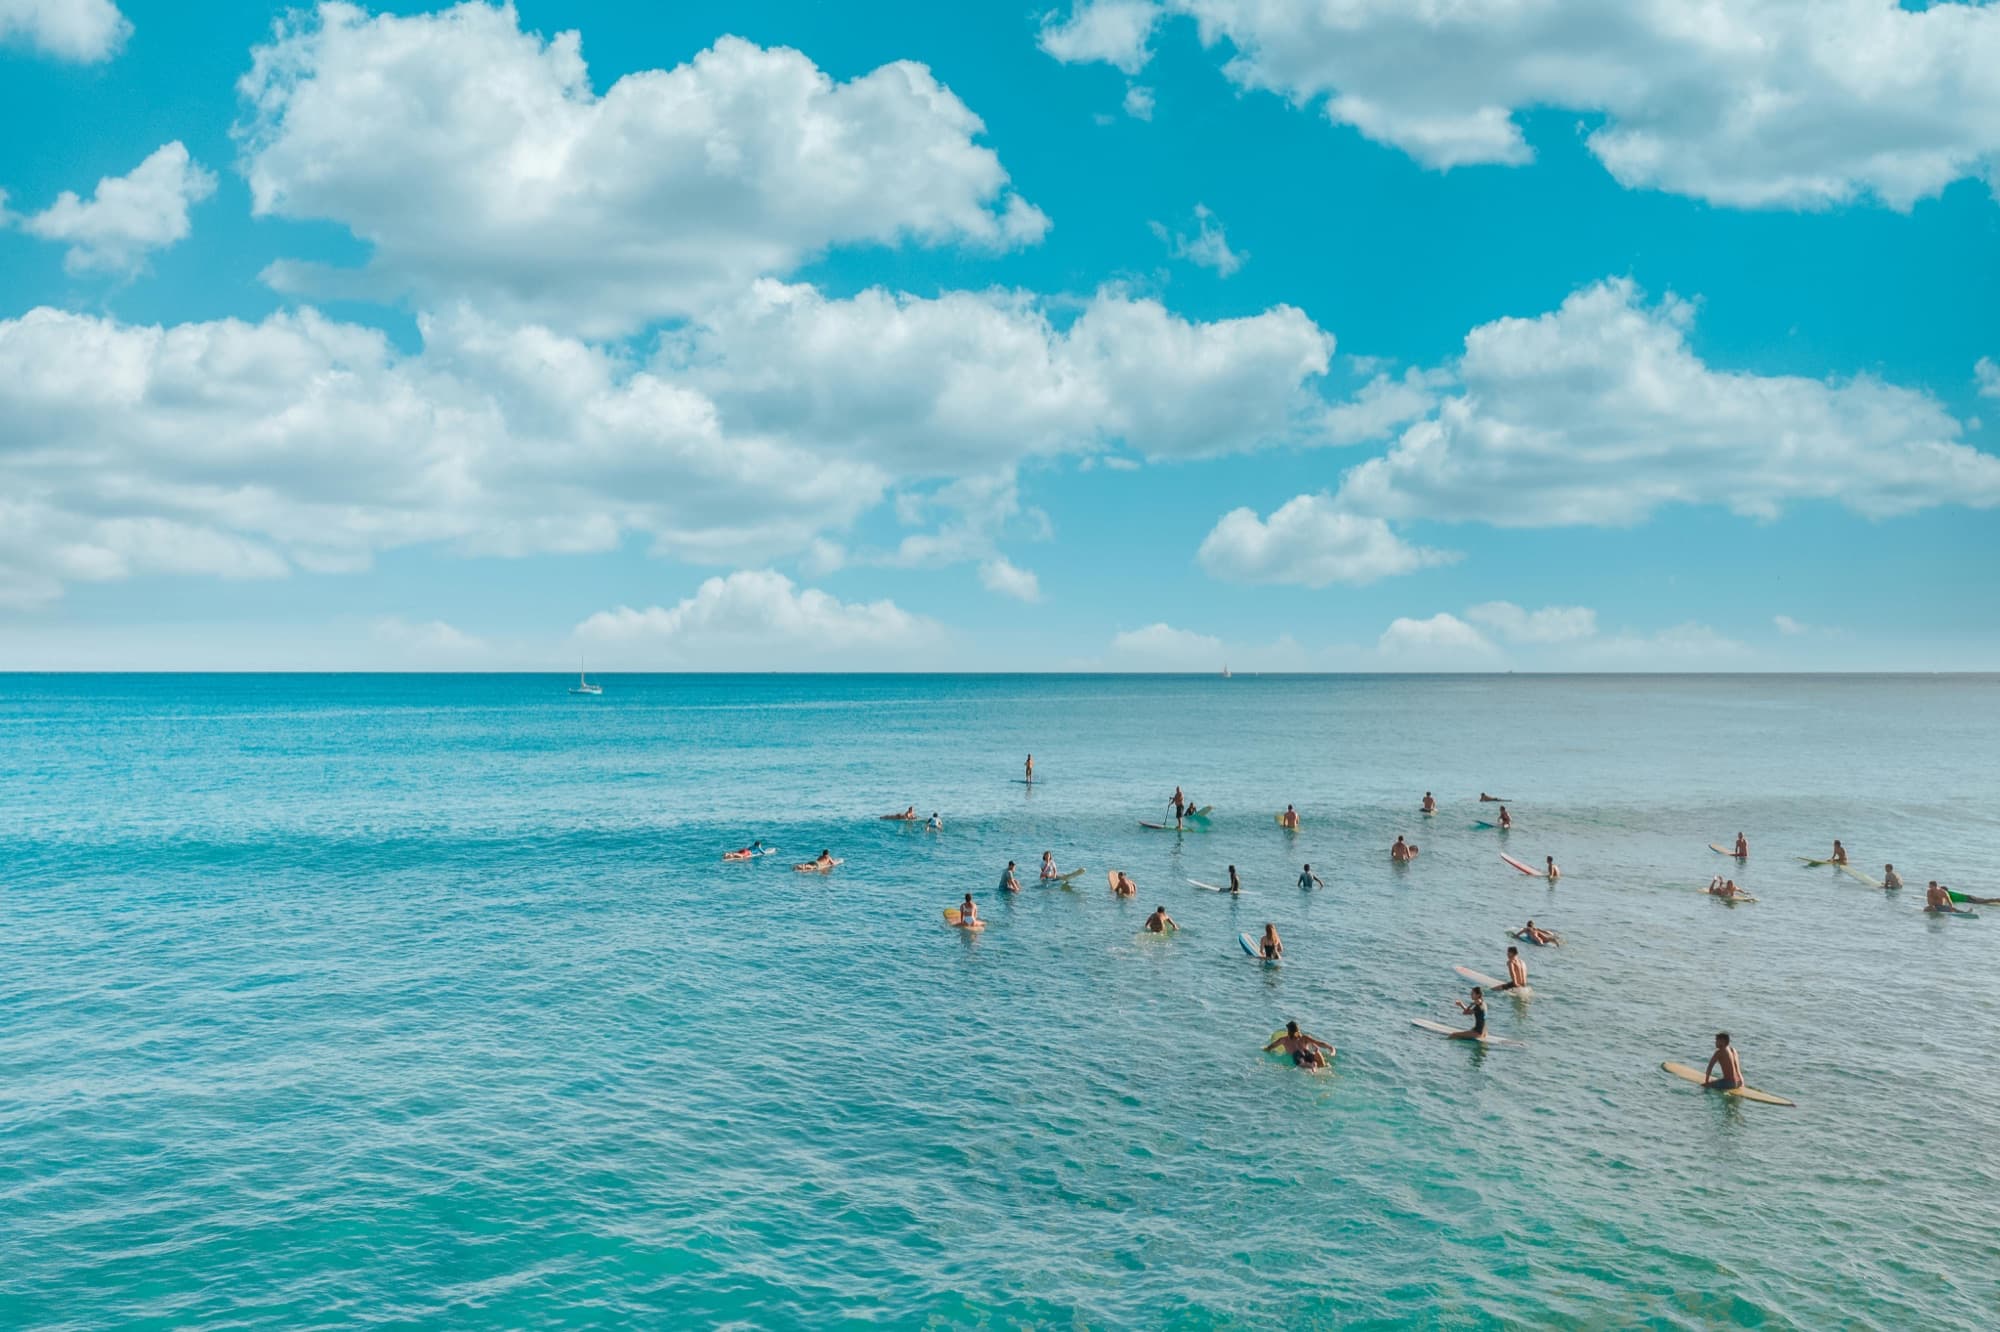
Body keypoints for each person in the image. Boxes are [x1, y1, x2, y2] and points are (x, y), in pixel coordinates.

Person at [1263, 1020, 1334, 1070]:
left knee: (1301, 1063)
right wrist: (1330, 1048)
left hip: (1299, 1058)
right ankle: (1315, 1061)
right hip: (1307, 1054)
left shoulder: (1284, 1040)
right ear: (1297, 1030)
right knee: (1317, 1053)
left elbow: (1271, 1047)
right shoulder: (1304, 1038)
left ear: (1288, 1031)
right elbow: (1319, 1043)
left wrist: (1264, 1049)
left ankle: (1311, 1066)